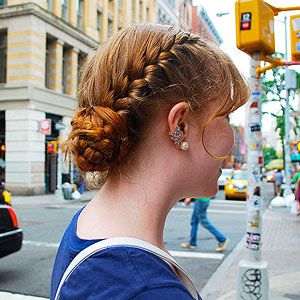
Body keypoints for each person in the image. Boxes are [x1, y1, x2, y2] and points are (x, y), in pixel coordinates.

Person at [50, 24, 248, 300]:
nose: (230, 138)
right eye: (225, 116)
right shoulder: (145, 289)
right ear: (180, 125)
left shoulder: (88, 226)